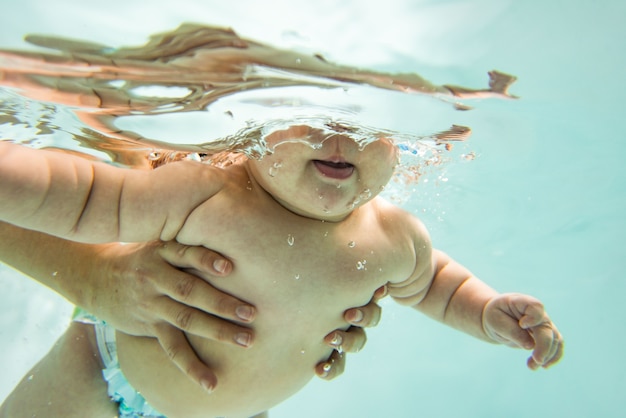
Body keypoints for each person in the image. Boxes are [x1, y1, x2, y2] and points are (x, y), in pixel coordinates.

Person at [0, 125, 563, 418]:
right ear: (258, 129)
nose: (343, 137)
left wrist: (487, 312)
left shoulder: (394, 238)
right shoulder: (205, 192)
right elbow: (78, 195)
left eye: (372, 128)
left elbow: (440, 287)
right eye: (314, 115)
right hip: (103, 372)